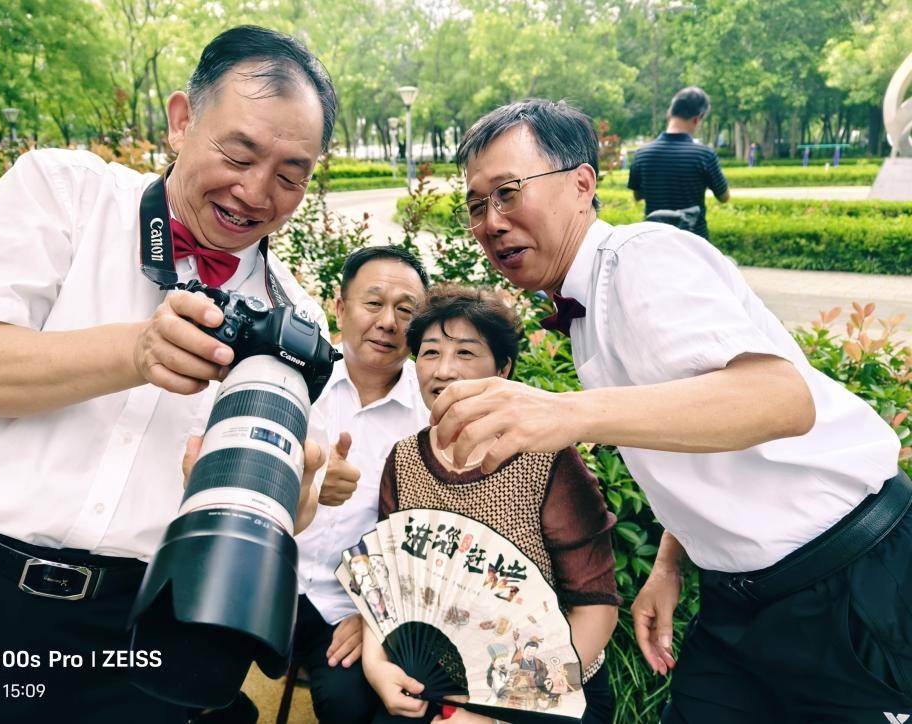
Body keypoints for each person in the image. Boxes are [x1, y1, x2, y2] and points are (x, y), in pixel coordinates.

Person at [0, 25, 337, 724]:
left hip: (132, 639)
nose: (255, 192)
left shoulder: (296, 320)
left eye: (290, 175)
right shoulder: (65, 192)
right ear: (182, 119)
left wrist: (290, 495)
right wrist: (136, 353)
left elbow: (294, 505)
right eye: (238, 153)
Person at [433, 97, 908, 722]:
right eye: (476, 203)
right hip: (738, 602)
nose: (490, 220)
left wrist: (565, 413)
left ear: (582, 185)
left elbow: (782, 400)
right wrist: (668, 563)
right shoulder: (586, 305)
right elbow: (694, 432)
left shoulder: (641, 259)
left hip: (847, 583)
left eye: (508, 192)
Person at [363, 285, 620, 724]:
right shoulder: (405, 459)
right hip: (439, 677)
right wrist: (377, 666)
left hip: (550, 684)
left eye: (465, 353)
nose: (444, 370)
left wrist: (503, 708)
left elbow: (596, 609)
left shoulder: (547, 456)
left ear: (502, 369)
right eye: (429, 353)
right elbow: (386, 581)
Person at [292, 245, 430, 723]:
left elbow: (431, 540)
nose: (388, 321)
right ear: (340, 307)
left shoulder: (430, 414)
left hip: (347, 607)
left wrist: (376, 618)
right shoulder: (295, 382)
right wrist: (308, 488)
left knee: (351, 702)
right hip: (266, 579)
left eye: (406, 310)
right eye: (373, 303)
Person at [627, 86, 729, 239]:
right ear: (697, 118)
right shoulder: (705, 155)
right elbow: (724, 197)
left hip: (654, 241)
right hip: (694, 242)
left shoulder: (642, 154)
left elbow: (638, 195)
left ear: (669, 114)